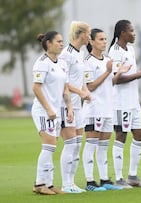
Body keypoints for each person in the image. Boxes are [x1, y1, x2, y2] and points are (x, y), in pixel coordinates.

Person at [108, 19, 141, 188]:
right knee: (121, 136)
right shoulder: (114, 51)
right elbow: (118, 79)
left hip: (133, 101)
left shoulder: (129, 48)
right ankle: (119, 178)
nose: (134, 33)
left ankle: (133, 176)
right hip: (120, 102)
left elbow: (132, 74)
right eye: (131, 30)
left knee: (140, 135)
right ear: (122, 33)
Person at [82, 28, 130, 191]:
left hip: (107, 109)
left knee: (103, 146)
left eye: (105, 39)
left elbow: (111, 83)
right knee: (91, 145)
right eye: (101, 39)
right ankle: (89, 182)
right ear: (92, 42)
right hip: (94, 109)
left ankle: (104, 180)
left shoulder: (107, 59)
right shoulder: (87, 62)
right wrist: (108, 72)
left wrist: (118, 73)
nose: (104, 42)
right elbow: (91, 86)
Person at [31, 31, 73, 195]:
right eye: (58, 41)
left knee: (52, 147)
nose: (62, 44)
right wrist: (48, 108)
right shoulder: (42, 63)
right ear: (48, 43)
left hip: (56, 112)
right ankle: (40, 183)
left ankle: (48, 184)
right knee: (48, 146)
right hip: (43, 111)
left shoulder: (61, 63)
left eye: (62, 41)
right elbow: (36, 87)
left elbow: (65, 88)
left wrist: (69, 107)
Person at [59, 21, 92, 193]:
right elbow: (63, 82)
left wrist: (85, 92)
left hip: (77, 105)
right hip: (65, 104)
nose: (90, 36)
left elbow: (81, 79)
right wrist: (80, 93)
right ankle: (65, 184)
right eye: (88, 33)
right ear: (81, 34)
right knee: (70, 144)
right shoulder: (66, 54)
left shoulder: (81, 53)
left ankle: (72, 183)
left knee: (78, 145)